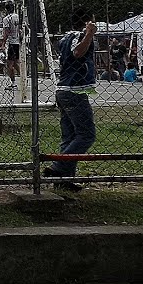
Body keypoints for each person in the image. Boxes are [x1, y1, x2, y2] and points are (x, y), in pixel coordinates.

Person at [43, 10, 98, 191]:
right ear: (87, 22)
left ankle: (64, 179)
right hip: (75, 90)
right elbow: (77, 53)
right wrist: (89, 33)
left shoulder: (65, 37)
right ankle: (58, 167)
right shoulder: (81, 35)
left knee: (70, 136)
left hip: (63, 89)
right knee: (86, 134)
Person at [1, 5, 21, 91]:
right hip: (17, 42)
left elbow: (6, 32)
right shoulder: (17, 16)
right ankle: (24, 77)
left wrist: (3, 43)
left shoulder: (6, 19)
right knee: (15, 62)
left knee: (9, 64)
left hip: (11, 43)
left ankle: (13, 83)